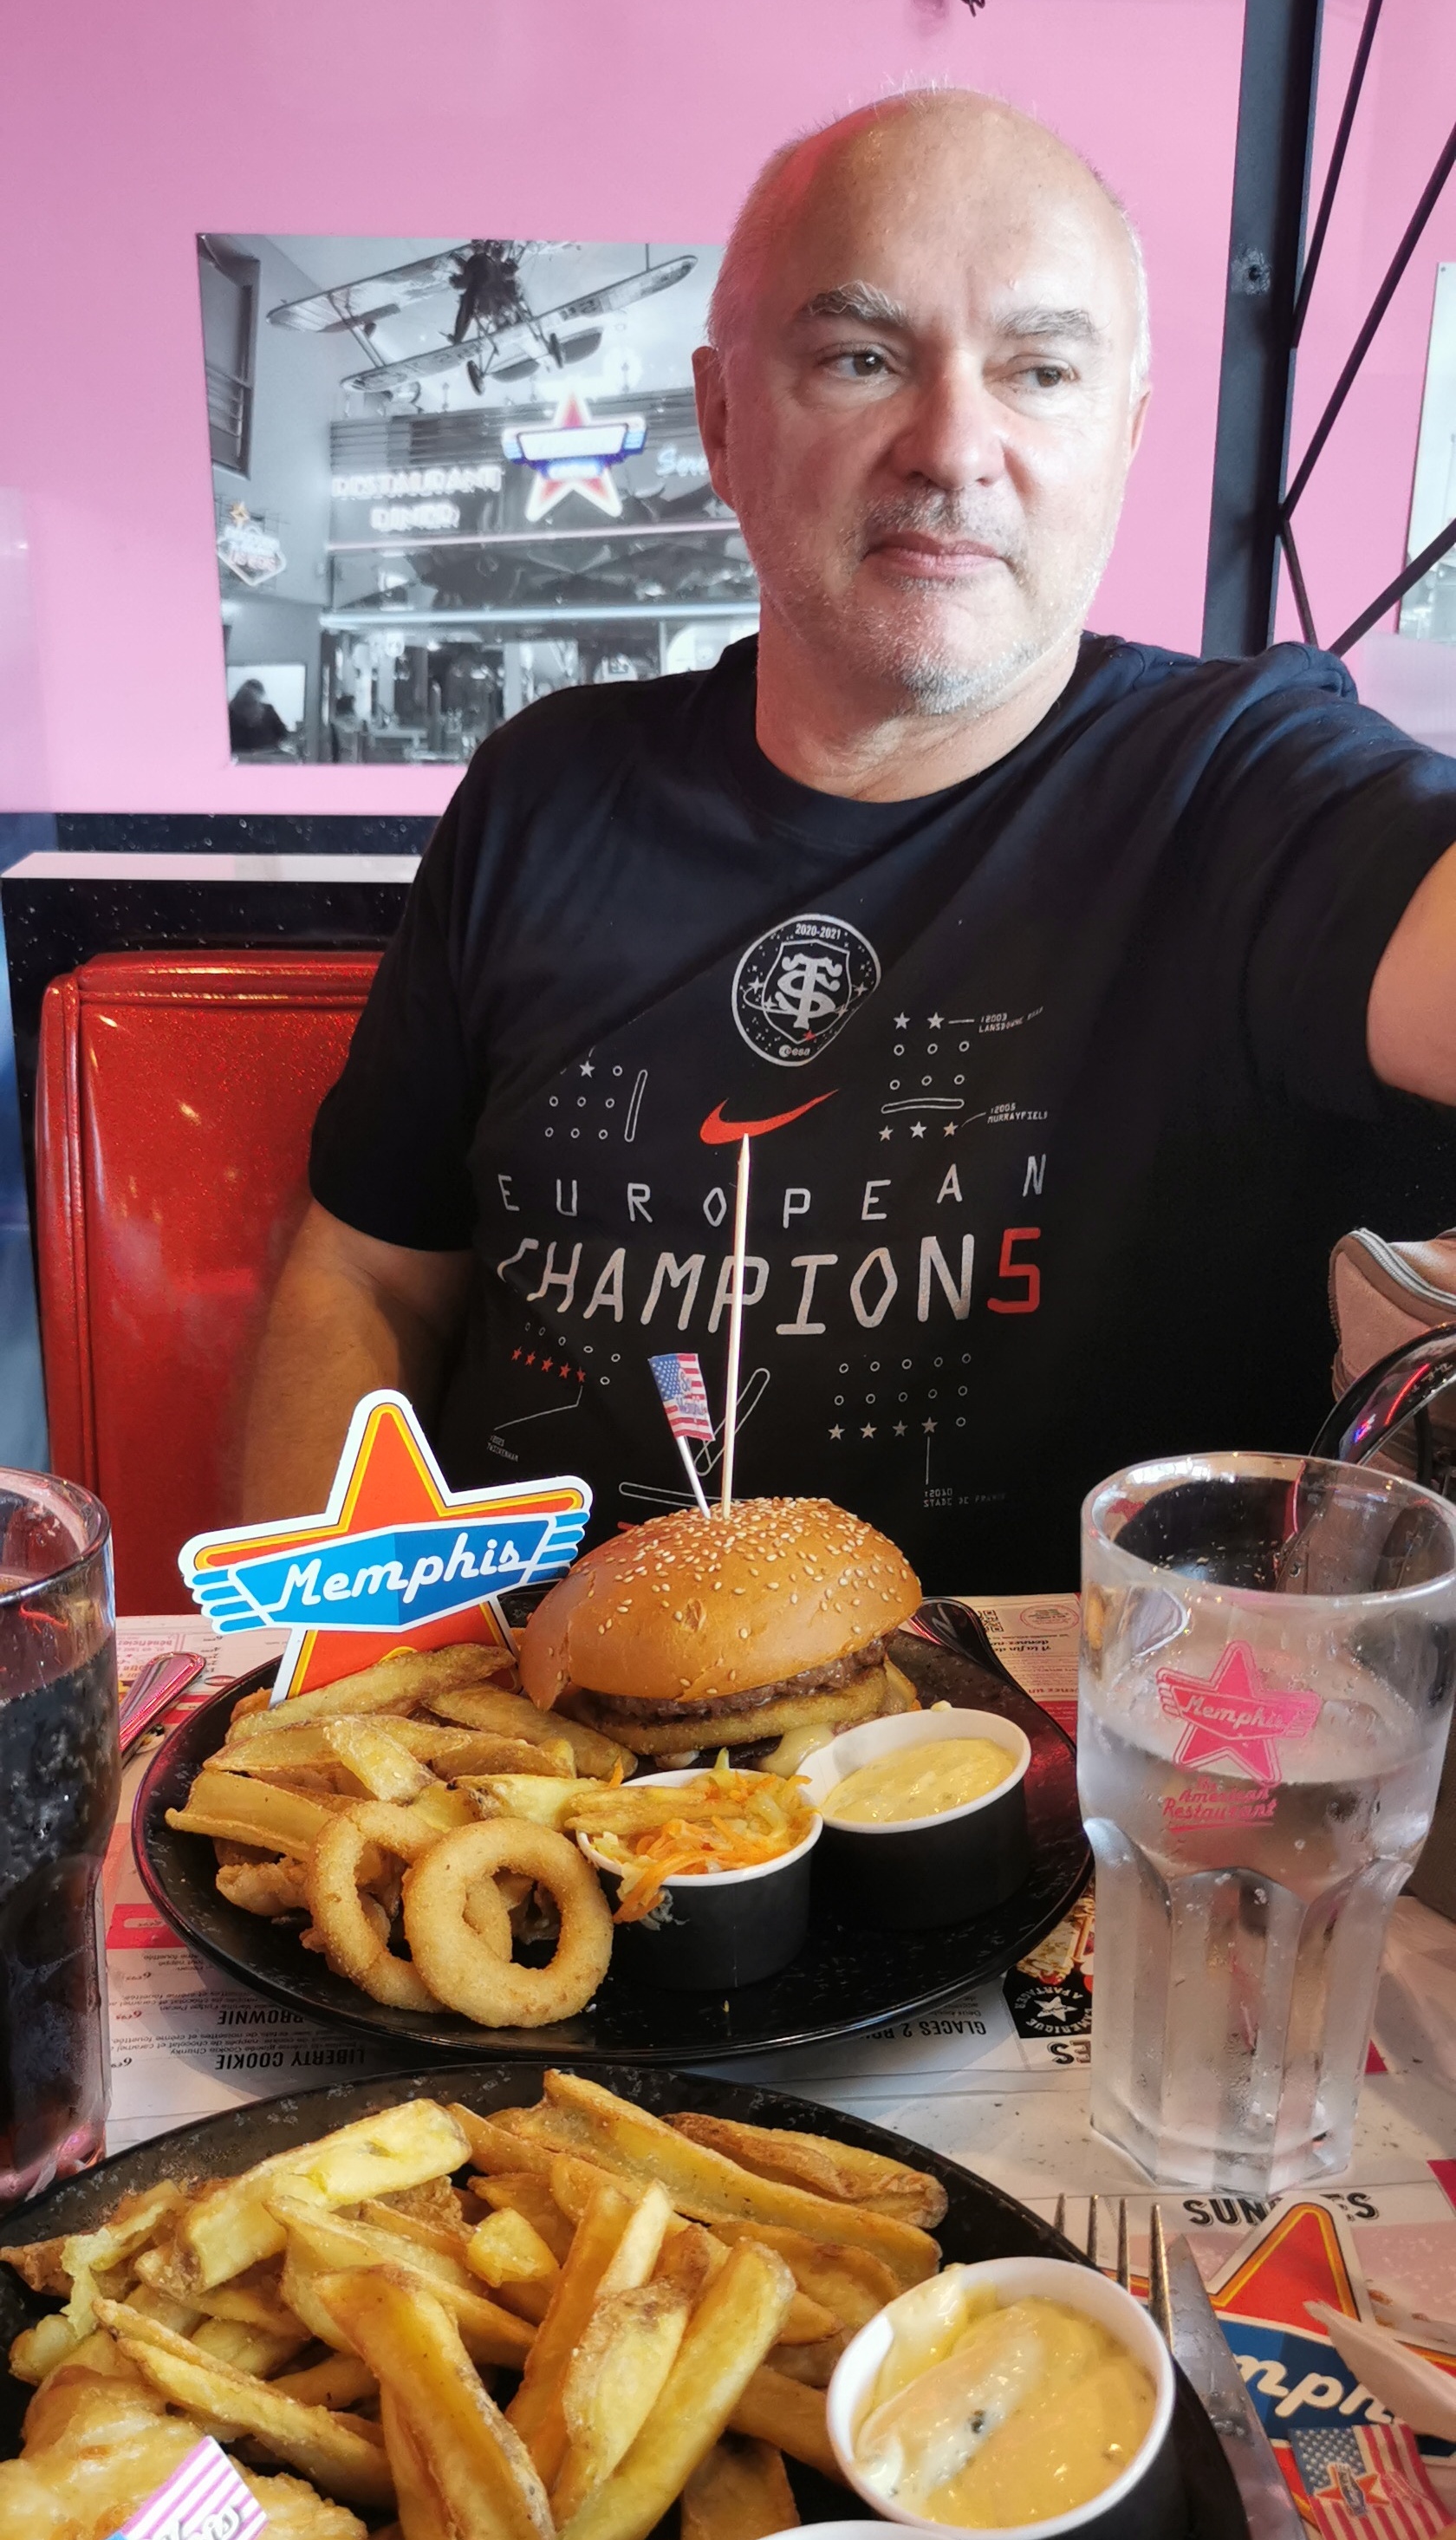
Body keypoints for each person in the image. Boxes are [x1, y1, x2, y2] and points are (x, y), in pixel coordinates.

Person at [242, 89, 1456, 1589]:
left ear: (1126, 437)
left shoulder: (1248, 785)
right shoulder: (542, 788)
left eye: (1042, 371)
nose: (953, 446)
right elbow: (368, 1271)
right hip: (513, 1709)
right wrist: (323, 1666)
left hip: (1057, 1734)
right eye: (861, 358)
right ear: (722, 421)